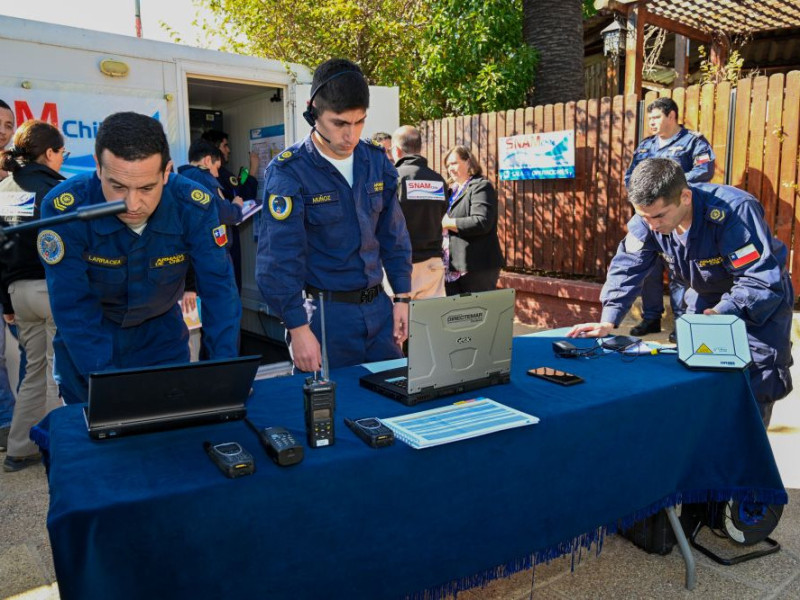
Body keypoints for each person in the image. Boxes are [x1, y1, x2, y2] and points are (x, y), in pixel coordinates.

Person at [568, 158, 793, 426]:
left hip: (758, 305)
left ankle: (750, 456)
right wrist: (609, 318)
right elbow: (627, 265)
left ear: (685, 197)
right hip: (705, 299)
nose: (651, 225)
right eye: (644, 216)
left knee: (756, 382)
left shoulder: (734, 211)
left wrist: (721, 313)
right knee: (699, 376)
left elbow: (759, 280)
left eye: (659, 216)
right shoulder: (648, 218)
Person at [39, 112, 241, 405]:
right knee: (99, 440)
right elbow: (72, 305)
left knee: (168, 438)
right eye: (118, 186)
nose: (132, 204)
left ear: (166, 172)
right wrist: (107, 387)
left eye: (147, 188)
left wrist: (224, 371)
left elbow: (219, 289)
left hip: (162, 340)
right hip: (89, 341)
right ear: (98, 168)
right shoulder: (65, 208)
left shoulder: (193, 205)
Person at [256, 58, 412, 372]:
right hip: (326, 319)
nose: (350, 135)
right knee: (330, 413)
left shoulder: (375, 161)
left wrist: (402, 299)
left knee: (393, 399)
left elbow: (393, 236)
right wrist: (298, 329)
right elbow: (278, 260)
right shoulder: (289, 172)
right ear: (313, 111)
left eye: (359, 122)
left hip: (380, 312)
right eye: (339, 123)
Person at [0, 121, 65, 471]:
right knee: (58, 373)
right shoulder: (57, 190)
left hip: (18, 293)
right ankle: (56, 450)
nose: (62, 159)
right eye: (61, 152)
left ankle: (19, 449)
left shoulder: (4, 188)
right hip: (51, 289)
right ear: (50, 153)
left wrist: (6, 302)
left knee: (33, 372)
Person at [625, 97, 716, 342]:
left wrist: (669, 188)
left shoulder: (693, 142)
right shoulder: (645, 147)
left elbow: (704, 170)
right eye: (650, 118)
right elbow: (630, 177)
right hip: (651, 218)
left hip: (678, 216)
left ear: (672, 115)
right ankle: (651, 316)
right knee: (649, 269)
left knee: (680, 273)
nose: (651, 122)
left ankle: (682, 323)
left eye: (656, 117)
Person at [390, 125, 448, 299]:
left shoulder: (393, 178)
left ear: (397, 150)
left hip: (400, 265)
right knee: (429, 323)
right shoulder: (438, 179)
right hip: (432, 265)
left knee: (398, 323)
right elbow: (441, 213)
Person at [201, 129, 260, 291]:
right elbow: (244, 195)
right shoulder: (219, 174)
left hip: (216, 244)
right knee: (231, 287)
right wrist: (253, 170)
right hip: (224, 240)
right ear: (215, 149)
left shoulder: (197, 176)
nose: (228, 150)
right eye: (225, 145)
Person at [441, 145, 504, 294]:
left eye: (454, 163)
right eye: (448, 165)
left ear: (468, 162)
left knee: (477, 314)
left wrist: (448, 223)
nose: (450, 168)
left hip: (477, 266)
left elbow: (482, 222)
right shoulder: (451, 191)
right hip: (452, 267)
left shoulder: (481, 186)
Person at [0, 99, 16, 449]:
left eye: (9, 124)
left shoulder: (16, 174)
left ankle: (7, 425)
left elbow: (14, 234)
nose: (4, 131)